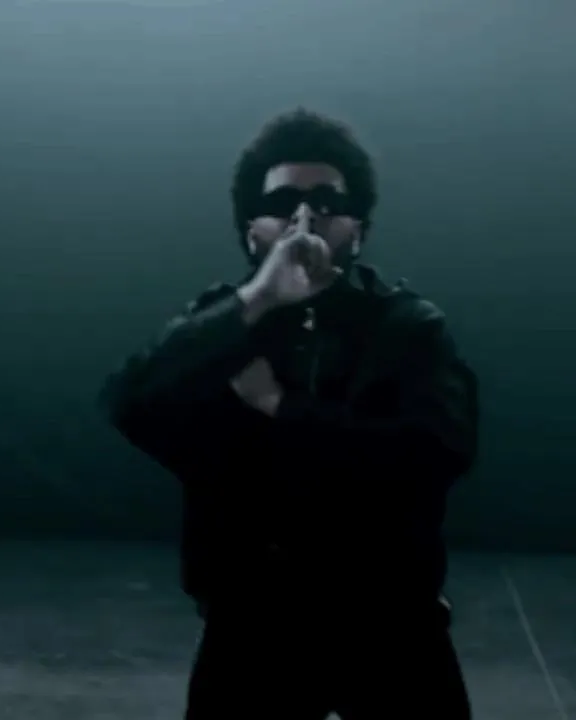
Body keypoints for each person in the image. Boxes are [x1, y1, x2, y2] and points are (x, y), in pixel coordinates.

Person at [99, 109, 479, 719]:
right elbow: (130, 404)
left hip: (390, 620)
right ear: (252, 231)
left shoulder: (408, 327)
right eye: (282, 205)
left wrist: (279, 407)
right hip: (251, 622)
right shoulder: (220, 326)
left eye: (327, 203)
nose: (305, 220)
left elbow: (436, 453)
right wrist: (259, 300)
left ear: (358, 229)